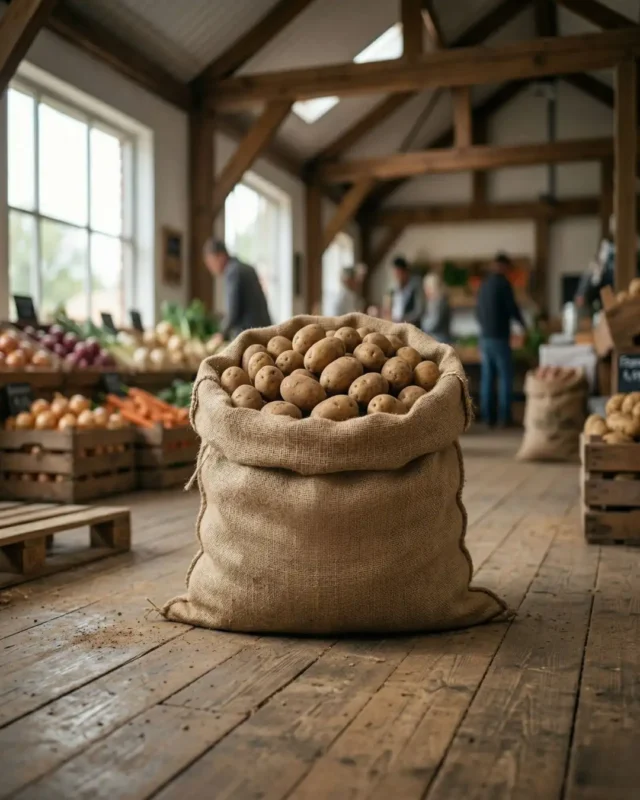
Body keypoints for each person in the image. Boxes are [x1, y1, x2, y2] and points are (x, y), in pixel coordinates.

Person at [476, 252, 527, 428]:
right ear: (504, 266)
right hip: (499, 338)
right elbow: (512, 308)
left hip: (484, 338)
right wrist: (523, 326)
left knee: (487, 378)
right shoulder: (504, 284)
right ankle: (504, 418)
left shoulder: (484, 285)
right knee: (505, 378)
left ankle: (488, 418)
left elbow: (478, 312)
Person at [203, 239, 272, 342]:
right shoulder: (248, 268)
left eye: (210, 262)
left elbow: (233, 311)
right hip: (265, 329)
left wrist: (222, 334)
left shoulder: (232, 272)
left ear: (220, 257)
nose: (210, 268)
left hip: (250, 335)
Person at [390, 256, 424, 326]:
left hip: (411, 326)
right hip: (396, 324)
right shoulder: (396, 287)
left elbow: (419, 311)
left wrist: (404, 320)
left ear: (405, 272)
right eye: (395, 274)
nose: (397, 277)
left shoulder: (416, 286)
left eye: (399, 274)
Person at [421, 273, 451, 343]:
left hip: (439, 340)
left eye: (427, 288)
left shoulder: (438, 302)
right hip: (439, 339)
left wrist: (422, 323)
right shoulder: (436, 301)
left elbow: (432, 325)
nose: (425, 291)